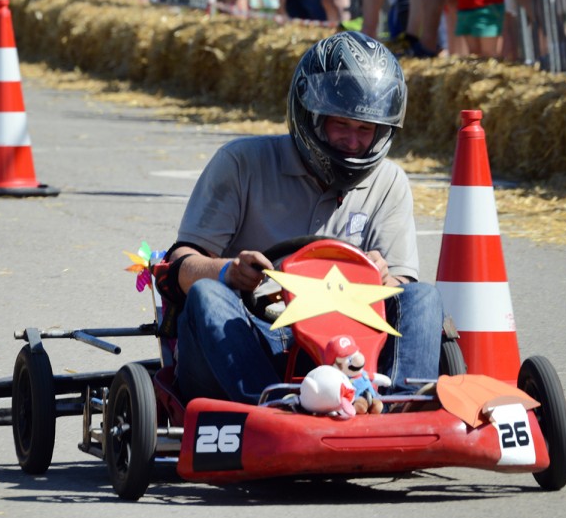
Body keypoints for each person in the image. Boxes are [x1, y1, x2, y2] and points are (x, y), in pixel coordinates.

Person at [165, 31, 444, 403]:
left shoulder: (388, 182)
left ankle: (394, 405)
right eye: (340, 124)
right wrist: (228, 271)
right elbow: (178, 263)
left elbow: (403, 296)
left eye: (365, 129)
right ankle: (273, 406)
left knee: (422, 296)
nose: (352, 140)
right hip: (252, 335)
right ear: (310, 116)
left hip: (350, 348)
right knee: (206, 293)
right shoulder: (241, 163)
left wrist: (384, 278)